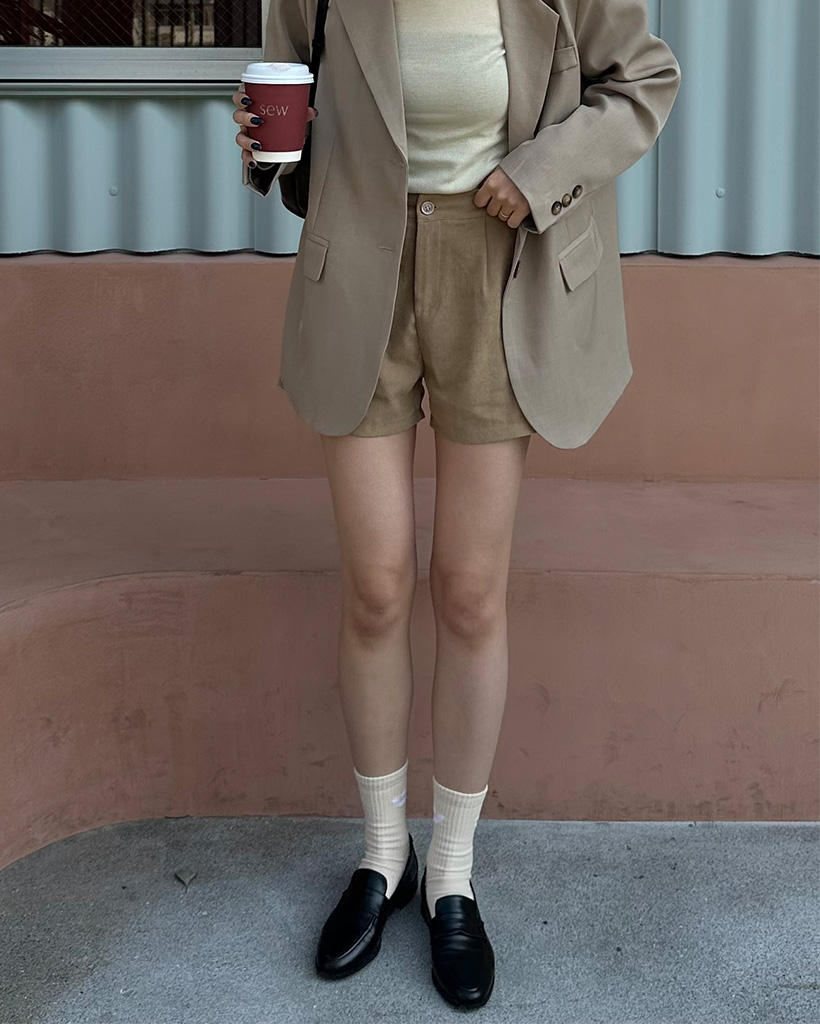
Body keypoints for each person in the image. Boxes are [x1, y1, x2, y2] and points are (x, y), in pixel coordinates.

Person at [232, 0, 681, 1009]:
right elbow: (286, 114)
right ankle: (382, 856)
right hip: (362, 275)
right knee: (376, 587)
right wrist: (263, 149)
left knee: (470, 593)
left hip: (501, 269)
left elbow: (644, 80)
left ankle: (451, 873)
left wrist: (540, 170)